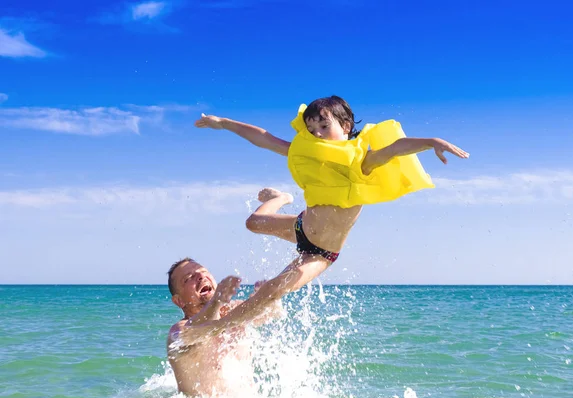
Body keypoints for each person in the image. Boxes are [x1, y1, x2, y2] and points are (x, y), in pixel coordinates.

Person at [194, 95, 470, 294]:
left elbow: (395, 148)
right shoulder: (305, 153)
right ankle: (280, 199)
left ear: (346, 126)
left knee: (273, 291)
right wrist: (223, 123)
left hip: (322, 253)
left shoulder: (361, 161)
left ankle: (225, 320)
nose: (318, 134)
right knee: (252, 223)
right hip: (302, 225)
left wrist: (432, 141)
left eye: (324, 127)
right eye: (313, 130)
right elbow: (264, 138)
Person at [167, 257, 299, 397]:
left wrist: (269, 299)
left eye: (204, 272)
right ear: (179, 301)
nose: (200, 276)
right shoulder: (178, 331)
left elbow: (273, 313)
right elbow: (197, 332)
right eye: (189, 278)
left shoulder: (233, 311)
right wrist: (215, 303)